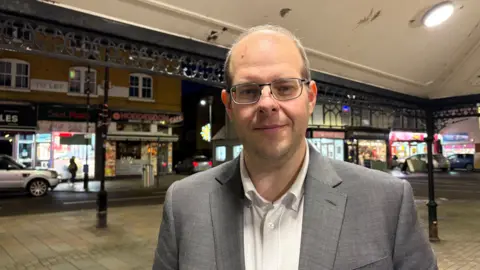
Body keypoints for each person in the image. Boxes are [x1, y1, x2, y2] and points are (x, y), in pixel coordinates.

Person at [153, 25, 437, 270]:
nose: (266, 103)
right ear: (228, 105)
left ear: (310, 98)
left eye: (285, 87)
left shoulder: (387, 201)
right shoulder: (184, 204)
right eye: (249, 91)